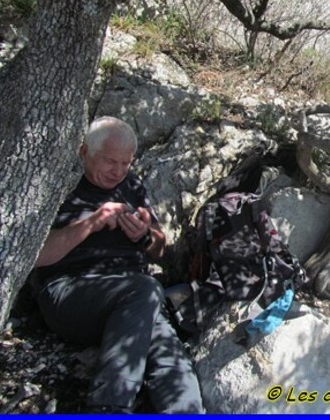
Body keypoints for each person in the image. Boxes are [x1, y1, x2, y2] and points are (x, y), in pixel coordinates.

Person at [30, 116, 204, 413]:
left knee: (170, 357)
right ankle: (108, 405)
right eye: (111, 162)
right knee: (146, 289)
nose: (119, 171)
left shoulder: (131, 185)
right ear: (85, 152)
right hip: (70, 292)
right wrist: (93, 222)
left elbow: (160, 250)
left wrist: (145, 236)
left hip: (134, 301)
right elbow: (35, 256)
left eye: (126, 163)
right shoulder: (58, 185)